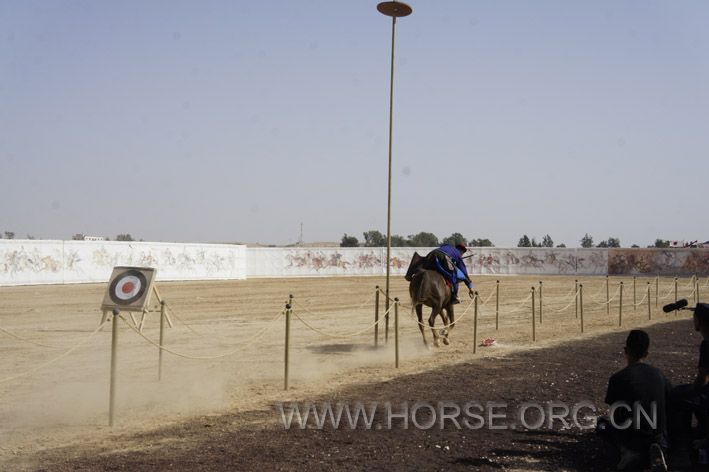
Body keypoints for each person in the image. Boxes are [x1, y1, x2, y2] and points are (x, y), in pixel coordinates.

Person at [598, 329, 670, 471]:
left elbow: (615, 414)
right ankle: (659, 449)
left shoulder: (618, 378)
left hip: (632, 437)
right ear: (646, 353)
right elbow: (668, 400)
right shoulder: (659, 375)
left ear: (626, 350)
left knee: (601, 425)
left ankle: (627, 451)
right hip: (656, 435)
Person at [667, 302, 709, 468]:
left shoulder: (707, 344)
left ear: (700, 321)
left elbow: (703, 379)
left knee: (675, 396)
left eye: (694, 318)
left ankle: (682, 446)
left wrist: (690, 391)